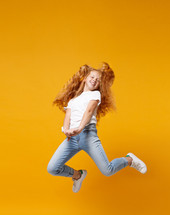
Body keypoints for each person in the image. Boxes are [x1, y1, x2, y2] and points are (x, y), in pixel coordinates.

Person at [47, 62, 147, 193]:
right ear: (85, 78)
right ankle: (78, 175)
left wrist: (80, 128)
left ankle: (129, 159)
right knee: (52, 168)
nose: (94, 80)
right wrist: (66, 130)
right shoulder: (73, 100)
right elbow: (68, 117)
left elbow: (89, 111)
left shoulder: (95, 95)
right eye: (92, 77)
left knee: (108, 170)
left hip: (88, 135)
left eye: (98, 80)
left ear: (100, 85)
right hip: (72, 139)